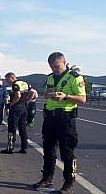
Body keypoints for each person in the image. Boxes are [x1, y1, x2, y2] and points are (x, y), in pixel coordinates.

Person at [33, 52, 86, 194]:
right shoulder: (50, 78)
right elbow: (45, 95)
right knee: (48, 150)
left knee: (67, 152)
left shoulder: (74, 77)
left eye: (57, 66)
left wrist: (66, 96)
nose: (54, 69)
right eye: (51, 67)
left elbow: (82, 99)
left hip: (66, 118)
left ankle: (68, 183)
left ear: (64, 62)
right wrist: (49, 94)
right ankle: (47, 178)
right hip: (50, 117)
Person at [1, 72, 30, 154]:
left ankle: (10, 148)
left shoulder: (15, 85)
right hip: (24, 107)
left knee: (12, 128)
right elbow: (32, 92)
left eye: (8, 79)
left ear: (13, 77)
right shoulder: (24, 83)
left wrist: (11, 104)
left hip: (16, 108)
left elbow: (18, 96)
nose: (7, 82)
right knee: (22, 128)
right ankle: (24, 147)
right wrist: (27, 101)